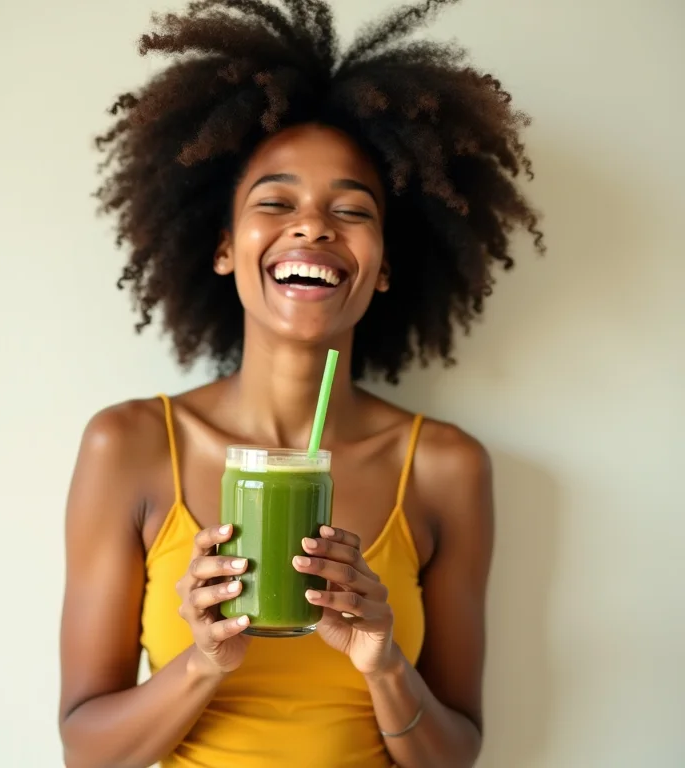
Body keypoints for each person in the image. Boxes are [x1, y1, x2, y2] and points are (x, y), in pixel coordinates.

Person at [58, 1, 544, 767]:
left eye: (351, 209)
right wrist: (203, 662)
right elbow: (87, 752)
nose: (313, 226)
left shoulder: (447, 467)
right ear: (224, 246)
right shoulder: (129, 445)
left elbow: (454, 756)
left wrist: (384, 664)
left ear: (382, 267)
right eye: (276, 202)